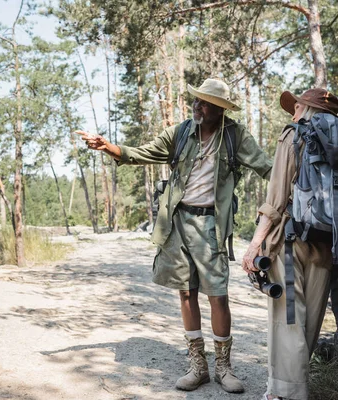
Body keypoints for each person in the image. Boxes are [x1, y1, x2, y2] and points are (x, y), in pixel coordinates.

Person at [76, 78, 272, 394]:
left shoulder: (235, 137)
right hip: (178, 223)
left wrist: (295, 182)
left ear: (220, 109)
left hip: (212, 226)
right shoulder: (181, 133)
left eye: (205, 102)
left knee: (218, 294)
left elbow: (268, 168)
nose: (197, 105)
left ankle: (224, 367)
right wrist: (107, 146)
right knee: (185, 292)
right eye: (197, 100)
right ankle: (199, 367)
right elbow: (140, 153)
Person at [241, 88, 338, 400]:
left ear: (306, 109)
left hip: (291, 240)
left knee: (287, 322)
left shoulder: (294, 135)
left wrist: (255, 244)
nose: (292, 112)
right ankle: (285, 388)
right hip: (329, 245)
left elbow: (275, 198)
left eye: (296, 106)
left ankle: (283, 395)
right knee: (309, 323)